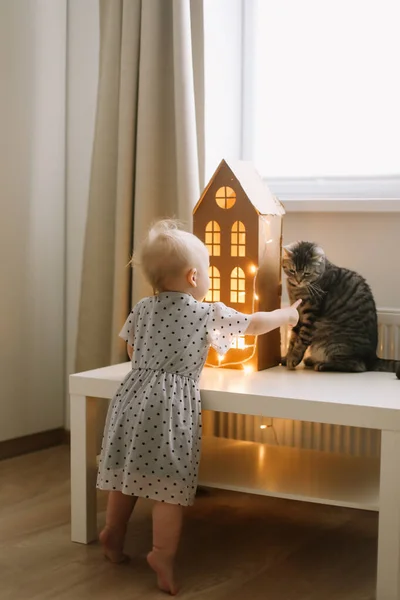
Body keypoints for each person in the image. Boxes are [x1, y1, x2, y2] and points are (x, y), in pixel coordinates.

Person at [97, 219, 301, 595]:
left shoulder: (142, 308)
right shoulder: (204, 312)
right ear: (193, 277)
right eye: (207, 272)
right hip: (171, 406)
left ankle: (113, 532)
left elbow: (131, 349)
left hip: (131, 398)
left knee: (128, 473)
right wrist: (287, 316)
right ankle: (161, 553)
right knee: (167, 486)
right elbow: (253, 324)